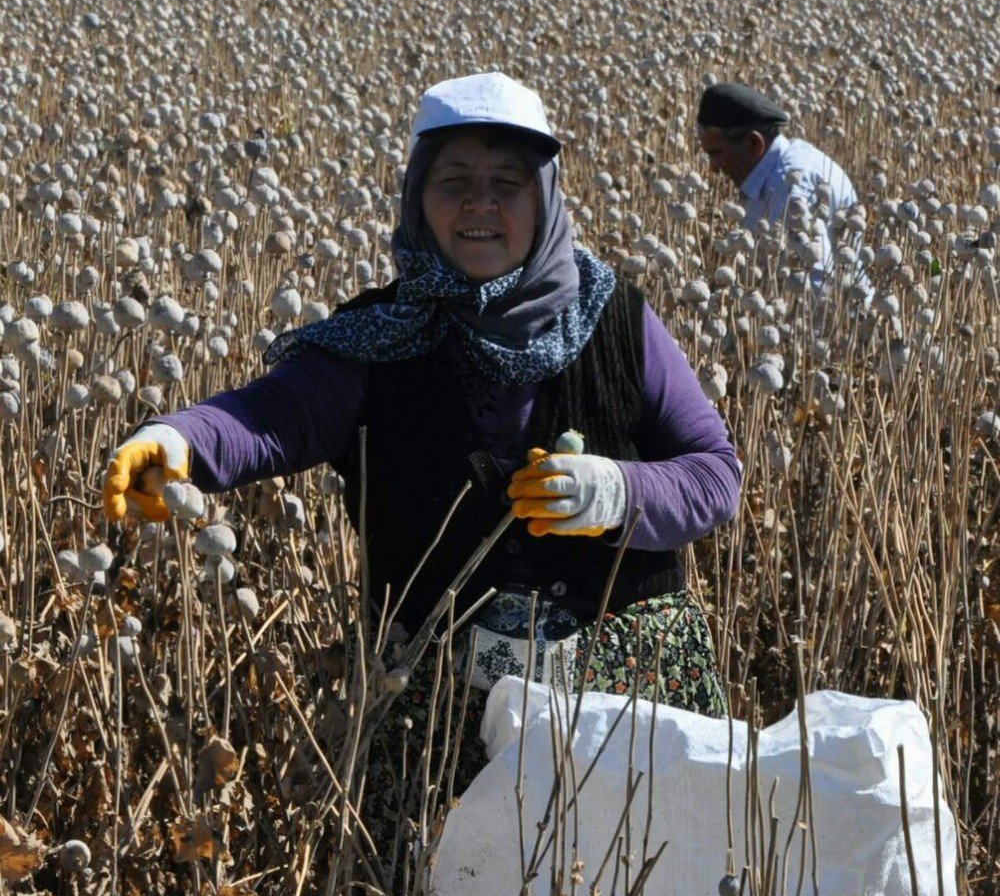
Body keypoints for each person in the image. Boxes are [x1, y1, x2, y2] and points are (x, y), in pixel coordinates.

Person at [103, 71, 741, 853]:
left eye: (507, 183)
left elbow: (714, 474)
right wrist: (178, 444)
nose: (481, 204)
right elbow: (271, 415)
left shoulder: (616, 319)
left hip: (627, 701)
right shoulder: (378, 338)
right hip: (437, 709)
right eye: (454, 182)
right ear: (417, 196)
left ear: (544, 199)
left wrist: (616, 491)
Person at [697, 81, 860, 292]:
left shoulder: (790, 192)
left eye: (716, 154)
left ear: (755, 144)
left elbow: (816, 291)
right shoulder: (783, 165)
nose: (713, 168)